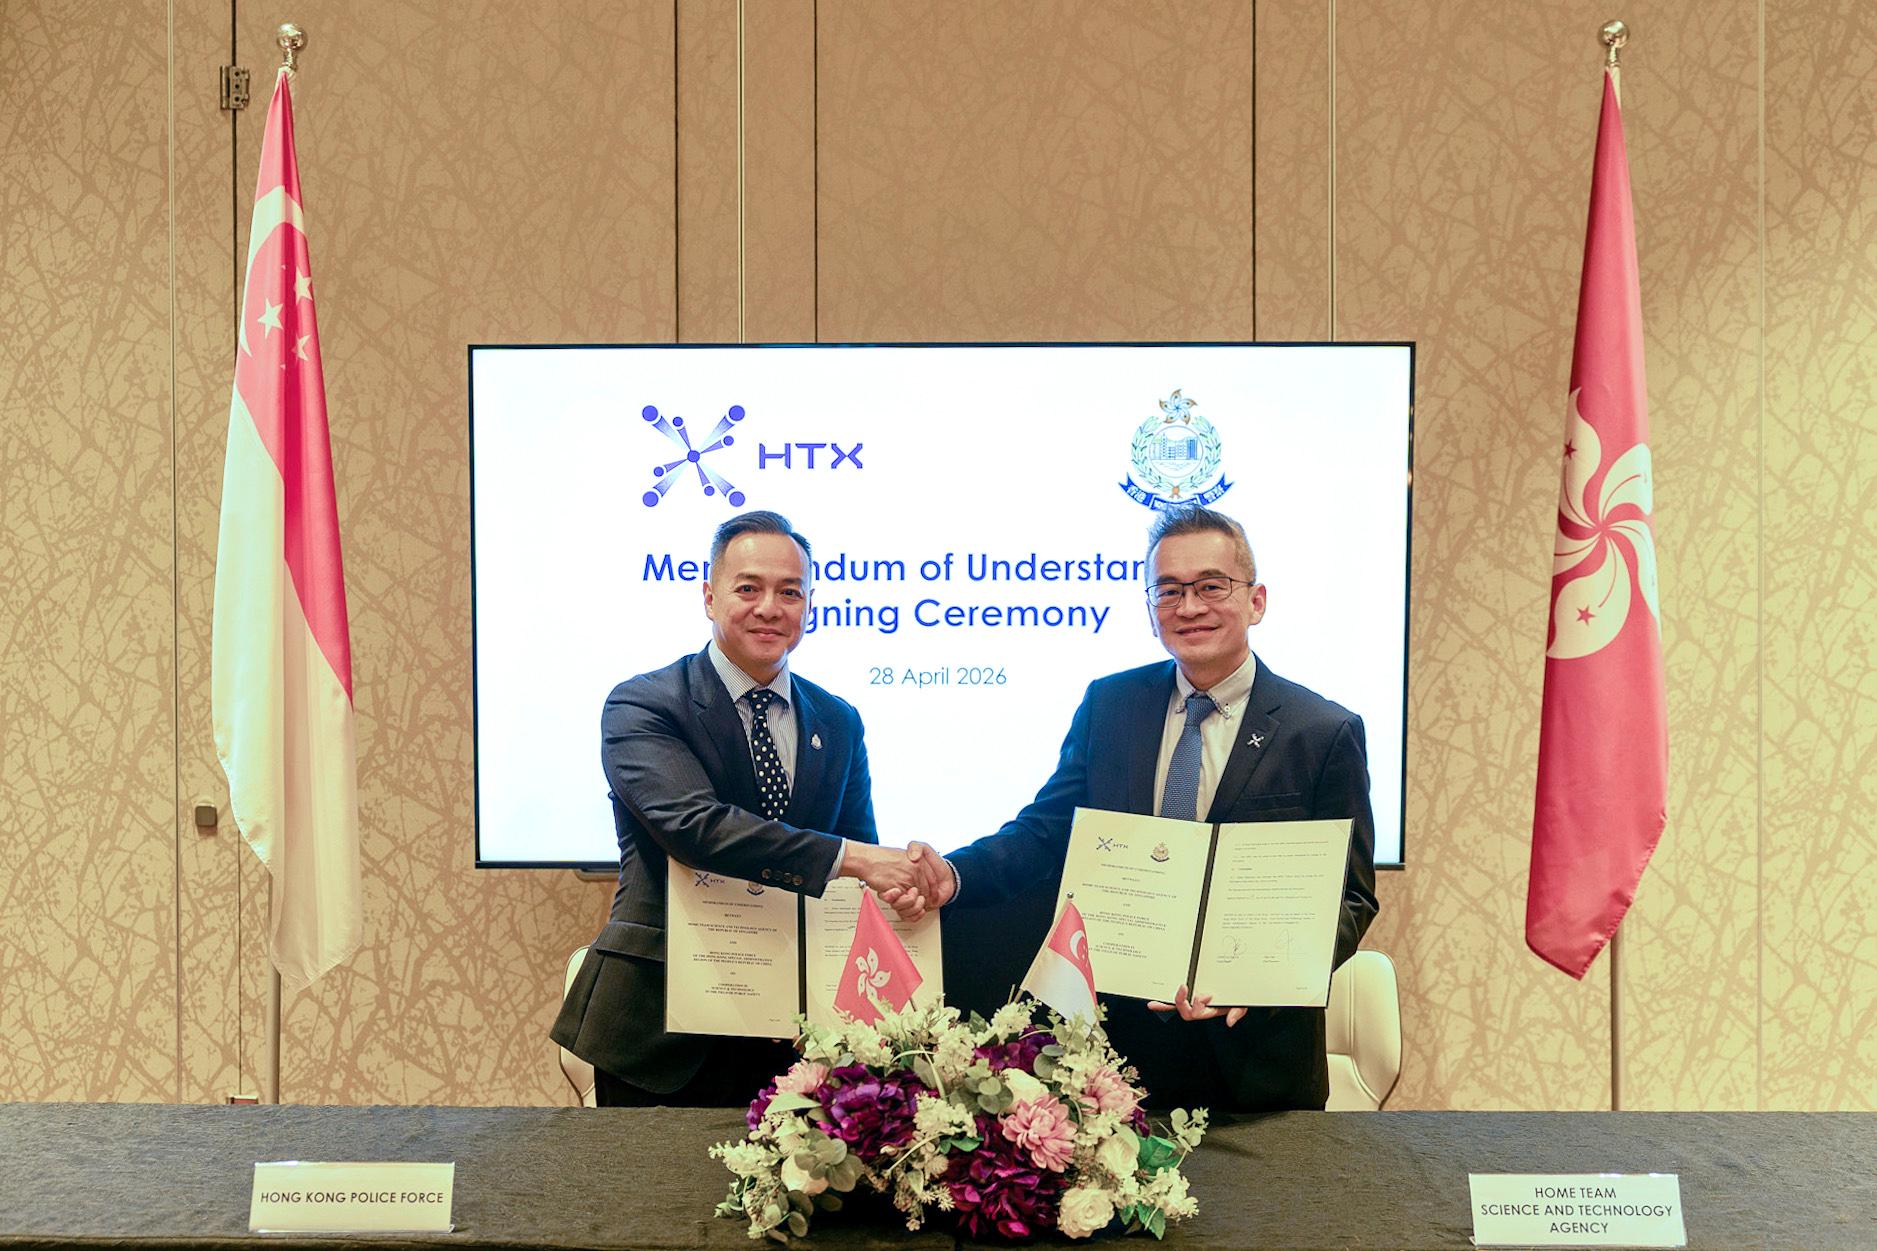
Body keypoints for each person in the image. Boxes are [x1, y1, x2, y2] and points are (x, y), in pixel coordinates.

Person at [893, 505, 1378, 1112]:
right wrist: (955, 873)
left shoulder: (1322, 731)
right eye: (1169, 590)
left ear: (1256, 601)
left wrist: (1262, 981)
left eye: (1211, 587)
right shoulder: (1111, 705)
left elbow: (1352, 895)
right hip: (1117, 1055)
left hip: (1256, 1061)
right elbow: (1045, 832)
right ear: (1150, 610)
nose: (1189, 606)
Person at [552, 510, 936, 1106]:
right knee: (650, 1201)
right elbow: (695, 827)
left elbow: (857, 857)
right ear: (709, 596)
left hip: (796, 1037)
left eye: (790, 592)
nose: (770, 607)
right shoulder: (644, 704)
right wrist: (859, 860)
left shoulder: (838, 720)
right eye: (748, 588)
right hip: (663, 1030)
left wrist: (897, 887)